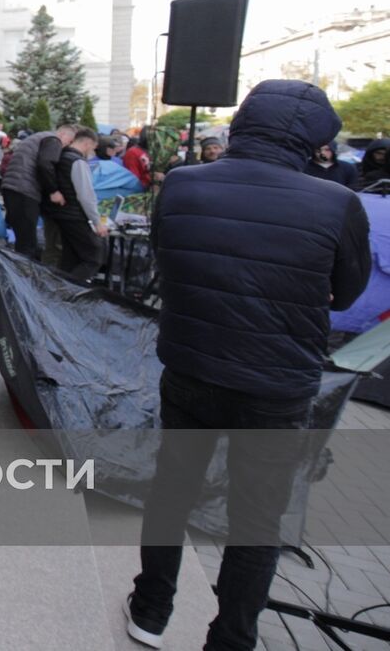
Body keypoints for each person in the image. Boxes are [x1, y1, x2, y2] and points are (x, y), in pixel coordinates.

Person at [125, 81, 371, 651]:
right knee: (257, 515)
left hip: (189, 369)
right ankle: (232, 638)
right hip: (276, 384)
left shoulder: (183, 184)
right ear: (315, 141)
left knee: (171, 490)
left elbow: (166, 256)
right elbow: (348, 292)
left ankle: (151, 609)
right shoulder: (335, 202)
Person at [39, 127, 109, 283]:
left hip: (59, 214)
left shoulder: (61, 156)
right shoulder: (77, 161)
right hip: (74, 215)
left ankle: (58, 290)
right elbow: (86, 195)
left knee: (69, 258)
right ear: (87, 143)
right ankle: (66, 292)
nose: (93, 152)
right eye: (93, 148)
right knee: (94, 256)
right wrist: (97, 222)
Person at [0, 124, 76, 261]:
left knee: (22, 238)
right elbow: (45, 164)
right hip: (24, 191)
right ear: (63, 135)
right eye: (69, 142)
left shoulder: (38, 137)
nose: (66, 146)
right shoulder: (53, 140)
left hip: (12, 187)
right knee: (27, 243)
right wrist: (54, 191)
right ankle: (24, 276)